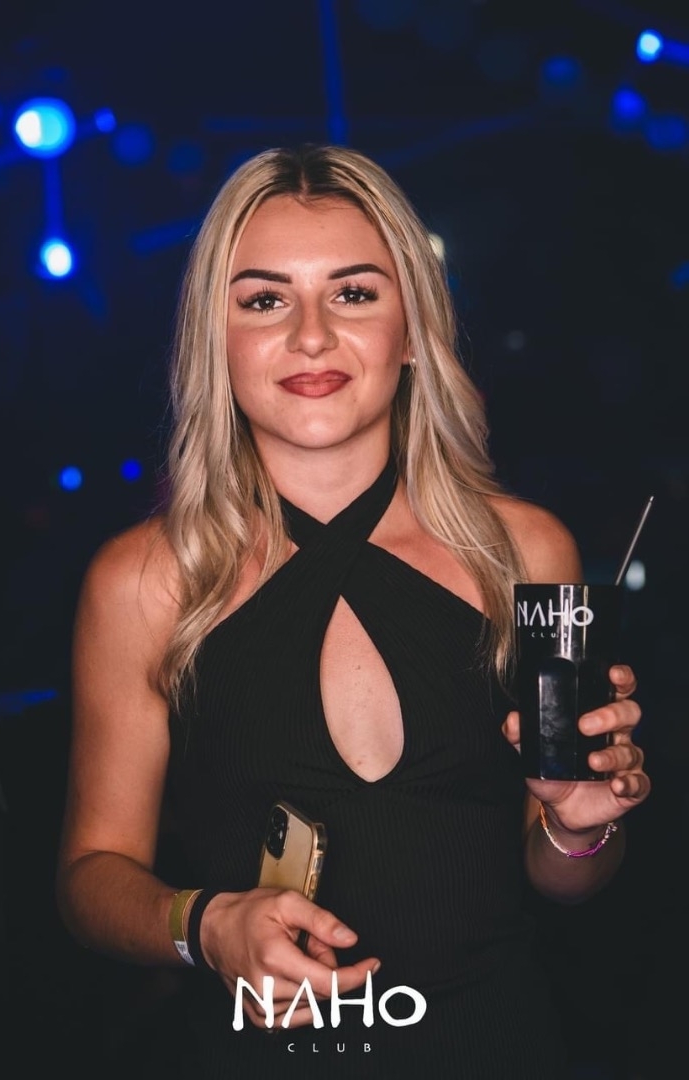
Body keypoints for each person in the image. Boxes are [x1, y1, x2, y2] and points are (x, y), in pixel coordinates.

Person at [55, 143, 650, 1079]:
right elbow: (90, 879)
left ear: (412, 329)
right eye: (265, 301)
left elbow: (565, 885)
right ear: (215, 339)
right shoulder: (145, 581)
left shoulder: (525, 553)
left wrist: (579, 827)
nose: (311, 336)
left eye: (354, 293)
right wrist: (205, 926)